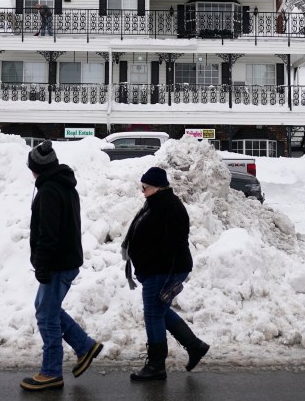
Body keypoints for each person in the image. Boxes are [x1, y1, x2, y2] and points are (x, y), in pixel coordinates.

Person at [21, 140, 103, 392]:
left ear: (38, 168)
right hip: (65, 260)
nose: (30, 171)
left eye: (31, 167)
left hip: (57, 263)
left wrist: (42, 265)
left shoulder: (49, 191)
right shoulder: (63, 186)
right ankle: (84, 346)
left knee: (46, 315)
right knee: (48, 309)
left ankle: (51, 371)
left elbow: (48, 233)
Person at [121, 166, 209, 382]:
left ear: (157, 187)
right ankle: (195, 346)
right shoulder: (154, 203)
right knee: (159, 311)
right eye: (142, 187)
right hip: (155, 269)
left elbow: (174, 244)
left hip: (163, 270)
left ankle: (156, 365)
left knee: (153, 314)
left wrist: (165, 274)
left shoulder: (171, 207)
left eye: (145, 187)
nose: (142, 191)